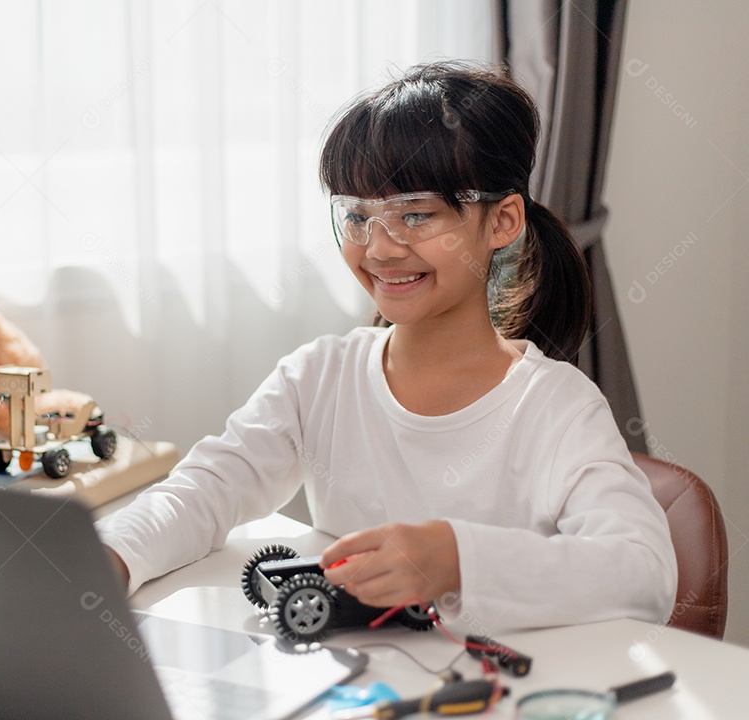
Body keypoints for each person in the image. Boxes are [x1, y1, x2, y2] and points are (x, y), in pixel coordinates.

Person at [97, 61, 676, 630]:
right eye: (357, 217)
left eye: (416, 215)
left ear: (502, 222)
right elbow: (208, 488)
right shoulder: (319, 376)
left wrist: (457, 559)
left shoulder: (555, 407)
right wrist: (111, 558)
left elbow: (643, 573)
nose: (379, 249)